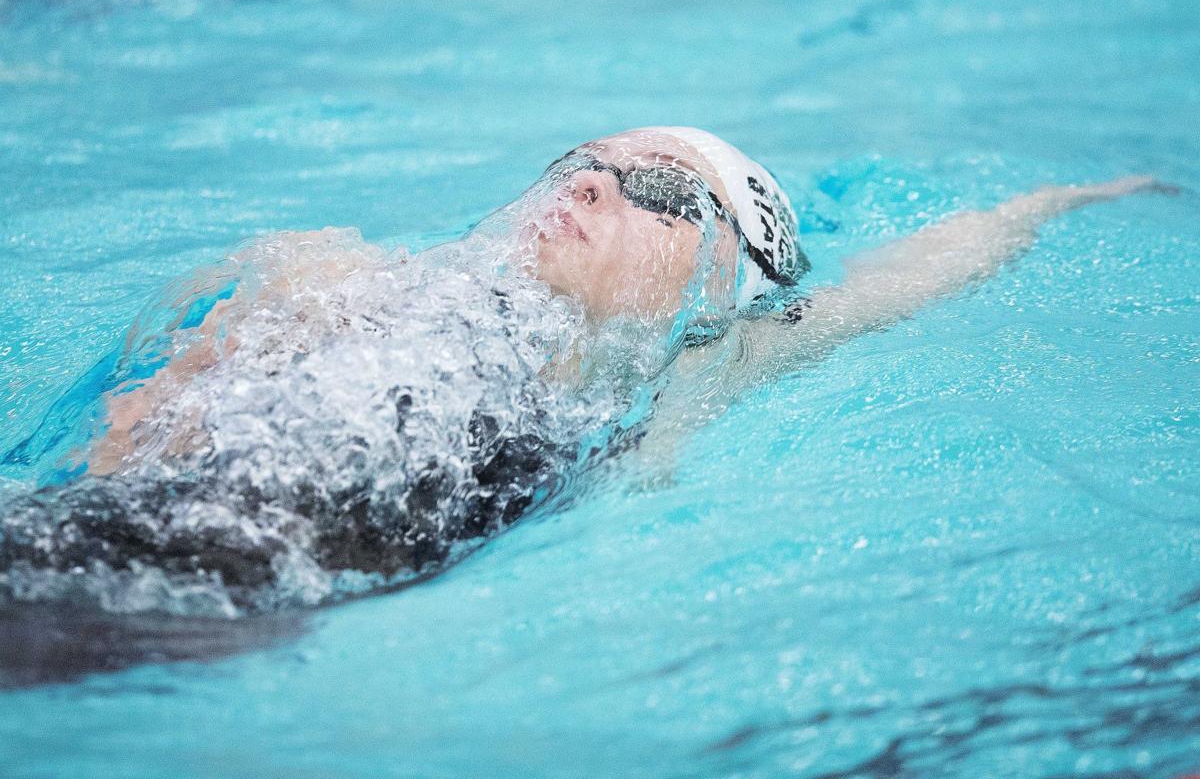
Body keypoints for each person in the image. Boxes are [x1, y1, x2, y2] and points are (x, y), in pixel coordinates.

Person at [0, 126, 1164, 617]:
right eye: (582, 159)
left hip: (245, 598)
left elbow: (910, 275)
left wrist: (1071, 196)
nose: (595, 183)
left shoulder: (699, 358)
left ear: (723, 270)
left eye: (655, 186)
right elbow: (130, 430)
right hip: (115, 543)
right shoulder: (339, 275)